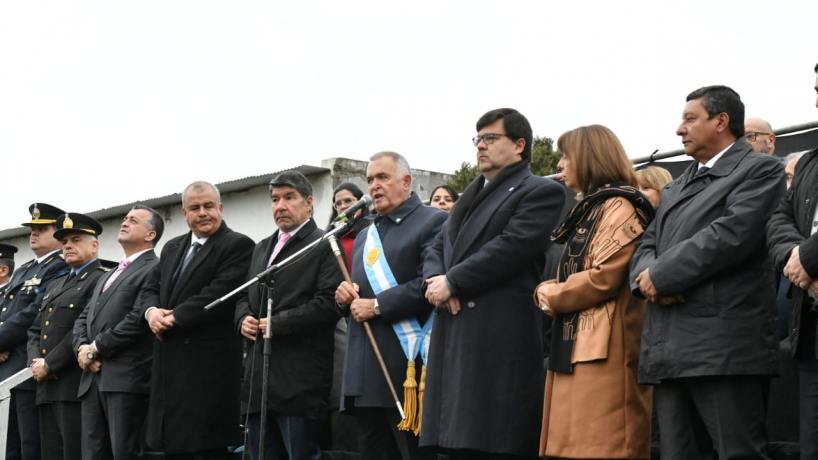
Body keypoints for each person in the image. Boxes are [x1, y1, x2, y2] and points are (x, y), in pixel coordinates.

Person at [631, 85, 784, 459]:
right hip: (668, 347)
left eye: (690, 119)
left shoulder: (759, 171)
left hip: (723, 348)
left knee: (738, 452)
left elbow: (728, 236)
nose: (679, 130)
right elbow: (646, 245)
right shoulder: (677, 186)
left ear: (721, 121)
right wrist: (647, 277)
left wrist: (661, 276)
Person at [420, 108, 566, 459]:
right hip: (455, 329)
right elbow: (437, 245)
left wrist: (455, 282)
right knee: (453, 443)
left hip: (497, 334)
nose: (481, 146)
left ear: (519, 146)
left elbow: (512, 247)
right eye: (478, 139)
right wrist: (436, 282)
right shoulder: (470, 194)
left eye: (490, 138)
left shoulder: (540, 191)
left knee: (492, 441)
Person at [535, 125, 654, 459]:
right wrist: (549, 290)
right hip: (579, 343)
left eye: (566, 156)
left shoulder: (621, 206)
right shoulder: (593, 207)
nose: (559, 164)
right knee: (576, 447)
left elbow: (605, 277)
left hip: (607, 347)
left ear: (588, 159)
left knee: (603, 447)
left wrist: (553, 294)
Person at [335, 151, 446, 460]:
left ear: (407, 181)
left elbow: (430, 282)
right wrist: (344, 297)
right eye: (370, 180)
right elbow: (358, 301)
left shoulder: (434, 221)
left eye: (383, 177)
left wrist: (379, 305)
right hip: (364, 369)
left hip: (406, 369)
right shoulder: (364, 235)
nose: (374, 186)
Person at [141, 181, 254, 459]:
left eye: (208, 206)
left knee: (204, 449)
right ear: (184, 213)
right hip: (169, 370)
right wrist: (152, 312)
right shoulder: (172, 247)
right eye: (195, 208)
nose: (202, 213)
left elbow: (218, 293)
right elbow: (150, 288)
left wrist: (174, 317)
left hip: (208, 374)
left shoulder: (238, 245)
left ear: (220, 208)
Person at [235, 171, 342, 460]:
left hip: (300, 380)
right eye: (275, 199)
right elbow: (245, 295)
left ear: (309, 203)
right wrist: (243, 318)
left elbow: (328, 304)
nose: (280, 205)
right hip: (259, 378)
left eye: (289, 197)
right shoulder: (262, 248)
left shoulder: (324, 244)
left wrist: (278, 324)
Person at [72, 205, 164, 460]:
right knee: (92, 453)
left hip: (126, 378)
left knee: (124, 452)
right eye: (125, 218)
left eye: (133, 220)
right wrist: (81, 348)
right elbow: (84, 316)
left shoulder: (154, 267)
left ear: (150, 235)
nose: (125, 222)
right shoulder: (108, 274)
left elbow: (138, 318)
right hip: (92, 379)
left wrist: (96, 347)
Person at [767, 62, 818, 460]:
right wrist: (796, 257)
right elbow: (779, 220)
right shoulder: (810, 164)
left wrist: (810, 257)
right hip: (811, 332)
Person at [28, 212, 109, 460]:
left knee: (74, 452)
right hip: (45, 385)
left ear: (94, 245)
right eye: (64, 242)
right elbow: (35, 330)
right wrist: (35, 363)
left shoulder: (100, 278)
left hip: (73, 383)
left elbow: (80, 327)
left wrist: (51, 364)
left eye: (76, 239)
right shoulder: (56, 284)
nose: (68, 246)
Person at [0, 203, 69, 460]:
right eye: (32, 228)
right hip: (5, 366)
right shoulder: (24, 270)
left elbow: (33, 313)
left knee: (29, 444)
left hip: (23, 368)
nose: (34, 233)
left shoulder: (58, 267)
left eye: (43, 228)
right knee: (7, 446)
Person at [323, 182, 370, 454]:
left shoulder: (369, 233)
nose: (343, 207)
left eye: (348, 201)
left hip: (360, 310)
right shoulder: (329, 236)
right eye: (338, 203)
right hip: (334, 309)